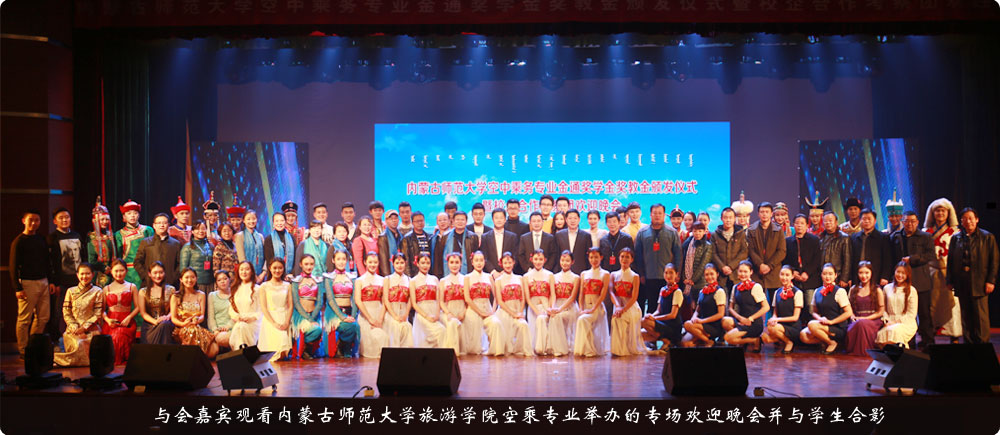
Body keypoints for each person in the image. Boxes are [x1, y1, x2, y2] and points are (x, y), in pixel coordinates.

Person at [947, 207, 998, 344]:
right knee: (966, 317)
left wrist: (991, 281)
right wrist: (949, 280)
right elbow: (950, 261)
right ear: (961, 221)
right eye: (965, 219)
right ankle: (968, 346)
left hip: (980, 283)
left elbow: (994, 261)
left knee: (980, 318)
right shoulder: (956, 238)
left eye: (971, 218)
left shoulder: (987, 237)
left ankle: (982, 347)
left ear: (977, 220)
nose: (968, 221)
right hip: (962, 283)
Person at [10, 210, 54, 357]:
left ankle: (33, 346)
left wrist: (50, 281)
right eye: (31, 220)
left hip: (43, 281)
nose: (34, 223)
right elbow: (13, 266)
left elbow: (47, 262)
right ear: (24, 221)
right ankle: (23, 349)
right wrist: (17, 288)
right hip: (27, 283)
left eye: (37, 220)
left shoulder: (41, 239)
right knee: (24, 319)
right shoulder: (19, 241)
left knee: (43, 317)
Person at [890, 211, 935, 350]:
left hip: (921, 280)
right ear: (902, 222)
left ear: (917, 222)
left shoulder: (926, 237)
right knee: (905, 313)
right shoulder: (895, 236)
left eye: (913, 221)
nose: (910, 224)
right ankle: (908, 340)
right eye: (907, 221)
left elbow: (930, 255)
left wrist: (912, 259)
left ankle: (928, 341)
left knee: (924, 313)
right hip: (902, 282)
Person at [635, 204, 683, 315]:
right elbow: (638, 256)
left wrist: (677, 274)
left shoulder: (672, 233)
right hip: (648, 277)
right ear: (650, 215)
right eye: (655, 213)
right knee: (651, 307)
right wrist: (641, 274)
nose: (657, 216)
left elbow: (678, 254)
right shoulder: (642, 233)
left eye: (660, 213)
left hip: (668, 278)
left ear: (664, 215)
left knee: (668, 308)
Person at [924, 198, 961, 342]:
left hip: (949, 273)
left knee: (952, 304)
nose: (940, 213)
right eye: (937, 211)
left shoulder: (956, 233)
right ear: (932, 213)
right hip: (931, 273)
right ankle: (931, 333)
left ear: (948, 213)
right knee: (931, 304)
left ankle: (954, 334)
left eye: (943, 211)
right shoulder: (925, 232)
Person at [54, 263, 103, 367]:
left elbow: (97, 314)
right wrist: (74, 327)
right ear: (77, 275)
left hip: (91, 329)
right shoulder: (71, 291)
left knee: (84, 344)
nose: (84, 276)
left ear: (93, 274)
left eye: (87, 273)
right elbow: (66, 311)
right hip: (73, 329)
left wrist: (84, 328)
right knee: (76, 343)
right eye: (82, 274)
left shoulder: (98, 291)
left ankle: (63, 360)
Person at [47, 207, 86, 338]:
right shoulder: (52, 238)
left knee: (78, 310)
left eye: (67, 217)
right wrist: (54, 282)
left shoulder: (77, 235)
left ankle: (77, 337)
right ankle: (55, 338)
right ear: (55, 221)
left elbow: (83, 256)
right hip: (61, 282)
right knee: (58, 312)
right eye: (61, 218)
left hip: (78, 281)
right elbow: (50, 262)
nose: (65, 220)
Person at [800, 264, 853, 354]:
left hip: (837, 326)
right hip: (822, 324)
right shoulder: (817, 291)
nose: (827, 277)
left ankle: (831, 343)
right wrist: (820, 319)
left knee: (811, 324)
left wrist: (831, 322)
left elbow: (848, 312)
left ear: (835, 275)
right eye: (825, 274)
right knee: (803, 335)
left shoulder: (839, 291)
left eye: (830, 274)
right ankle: (826, 341)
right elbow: (814, 312)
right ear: (821, 275)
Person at [411, 253, 459, 352]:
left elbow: (438, 300)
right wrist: (426, 316)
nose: (425, 265)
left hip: (435, 311)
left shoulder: (434, 279)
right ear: (417, 264)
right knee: (441, 331)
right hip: (422, 313)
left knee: (449, 326)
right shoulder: (413, 281)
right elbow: (414, 303)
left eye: (428, 263)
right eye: (422, 263)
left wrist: (437, 314)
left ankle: (450, 353)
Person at [171, 268, 219, 358]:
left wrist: (197, 320)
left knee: (214, 350)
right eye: (187, 277)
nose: (190, 280)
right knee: (192, 331)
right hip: (181, 328)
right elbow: (173, 318)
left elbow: (202, 316)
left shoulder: (201, 294)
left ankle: (194, 358)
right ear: (181, 279)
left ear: (196, 279)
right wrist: (183, 324)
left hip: (197, 327)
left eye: (192, 277)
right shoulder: (175, 296)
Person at [492, 252, 533, 356]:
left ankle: (523, 349)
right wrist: (513, 313)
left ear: (514, 262)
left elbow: (523, 298)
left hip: (518, 311)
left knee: (523, 325)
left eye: (510, 262)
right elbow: (499, 301)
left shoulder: (520, 278)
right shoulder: (498, 280)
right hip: (504, 312)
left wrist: (520, 312)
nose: (508, 265)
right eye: (505, 263)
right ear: (501, 264)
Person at [723, 261, 770, 351]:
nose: (743, 274)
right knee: (725, 321)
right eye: (740, 271)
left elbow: (766, 307)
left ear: (751, 272)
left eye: (745, 272)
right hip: (741, 320)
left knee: (727, 338)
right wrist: (740, 318)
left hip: (753, 323)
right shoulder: (735, 287)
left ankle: (755, 340)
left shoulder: (756, 287)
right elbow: (730, 308)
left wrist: (750, 319)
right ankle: (745, 340)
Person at [573, 248, 611, 357]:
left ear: (601, 257)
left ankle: (590, 350)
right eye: (591, 257)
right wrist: (581, 309)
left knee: (582, 320)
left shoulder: (605, 274)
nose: (593, 260)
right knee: (581, 318)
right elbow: (581, 294)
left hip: (597, 307)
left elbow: (603, 295)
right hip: (585, 306)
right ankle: (585, 348)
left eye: (596, 257)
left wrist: (592, 309)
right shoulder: (584, 273)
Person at [323, 250, 361, 358]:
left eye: (344, 259)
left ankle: (344, 346)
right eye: (338, 259)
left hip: (349, 311)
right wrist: (342, 317)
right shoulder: (329, 277)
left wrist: (353, 316)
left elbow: (354, 298)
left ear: (347, 261)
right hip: (334, 313)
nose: (341, 262)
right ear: (333, 260)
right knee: (350, 327)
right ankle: (341, 345)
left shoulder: (352, 277)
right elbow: (330, 300)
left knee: (355, 326)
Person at [461, 252, 500, 355]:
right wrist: (480, 312)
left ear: (484, 262)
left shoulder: (489, 277)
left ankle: (494, 350)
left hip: (487, 309)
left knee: (496, 323)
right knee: (474, 342)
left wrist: (493, 311)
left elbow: (496, 296)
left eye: (481, 260)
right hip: (473, 310)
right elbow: (467, 299)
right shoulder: (467, 277)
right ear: (472, 262)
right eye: (476, 260)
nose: (479, 263)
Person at [746, 202, 787, 300]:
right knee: (757, 302)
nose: (764, 214)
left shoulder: (778, 230)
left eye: (767, 212)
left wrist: (769, 266)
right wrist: (760, 265)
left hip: (774, 271)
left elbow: (782, 251)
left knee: (775, 302)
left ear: (771, 214)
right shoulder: (751, 229)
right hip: (757, 271)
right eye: (762, 212)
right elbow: (750, 250)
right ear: (758, 214)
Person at [845, 261, 886, 356]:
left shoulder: (877, 290)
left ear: (871, 274)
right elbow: (848, 308)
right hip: (856, 320)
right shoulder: (853, 289)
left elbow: (881, 312)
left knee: (862, 324)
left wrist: (864, 318)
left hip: (873, 320)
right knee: (857, 325)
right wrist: (852, 316)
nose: (864, 276)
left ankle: (864, 352)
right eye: (861, 273)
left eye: (867, 273)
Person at [785, 214, 822, 318]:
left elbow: (817, 259)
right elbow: (785, 260)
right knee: (796, 307)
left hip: (810, 279)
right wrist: (792, 272)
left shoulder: (814, 240)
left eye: (802, 223)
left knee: (811, 307)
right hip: (794, 279)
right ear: (793, 225)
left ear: (807, 225)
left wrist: (807, 272)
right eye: (797, 223)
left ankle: (812, 326)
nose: (799, 225)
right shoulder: (788, 241)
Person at [102, 259, 139, 365]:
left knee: (119, 335)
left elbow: (138, 307)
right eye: (116, 271)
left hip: (127, 322)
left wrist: (129, 318)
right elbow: (102, 310)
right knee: (114, 337)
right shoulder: (106, 289)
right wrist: (108, 320)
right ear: (111, 272)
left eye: (121, 270)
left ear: (126, 271)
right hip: (111, 323)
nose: (119, 274)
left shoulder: (132, 287)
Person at [680, 264, 728, 347]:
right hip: (700, 324)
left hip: (713, 326)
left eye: (711, 274)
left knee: (687, 325)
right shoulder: (702, 291)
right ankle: (705, 339)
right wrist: (694, 318)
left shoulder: (719, 291)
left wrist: (702, 321)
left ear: (717, 274)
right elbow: (697, 310)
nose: (709, 277)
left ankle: (707, 341)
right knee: (684, 343)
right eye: (707, 274)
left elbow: (720, 314)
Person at [355, 252, 390, 358]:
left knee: (384, 337)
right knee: (373, 343)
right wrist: (370, 319)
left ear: (378, 263)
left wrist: (380, 319)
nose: (373, 265)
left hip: (379, 313)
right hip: (365, 315)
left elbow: (385, 301)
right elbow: (358, 301)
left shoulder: (383, 280)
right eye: (370, 262)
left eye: (375, 262)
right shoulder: (359, 280)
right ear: (365, 262)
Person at [640, 264, 683, 350]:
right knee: (641, 333)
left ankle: (668, 341)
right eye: (666, 273)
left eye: (671, 273)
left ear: (676, 274)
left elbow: (673, 315)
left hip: (673, 326)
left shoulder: (677, 292)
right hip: (663, 324)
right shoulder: (663, 289)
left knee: (643, 321)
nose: (668, 275)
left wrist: (654, 319)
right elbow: (658, 310)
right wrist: (651, 316)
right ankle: (666, 341)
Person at [290, 255, 326, 359]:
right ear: (300, 264)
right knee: (316, 330)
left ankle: (307, 349)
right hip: (300, 316)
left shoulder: (318, 280)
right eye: (306, 264)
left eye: (311, 264)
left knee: (318, 330)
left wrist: (313, 317)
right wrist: (308, 319)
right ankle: (304, 349)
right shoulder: (296, 281)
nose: (309, 267)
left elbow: (320, 301)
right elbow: (296, 302)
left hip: (314, 315)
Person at [877, 261, 919, 348]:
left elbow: (911, 314)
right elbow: (883, 309)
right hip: (889, 321)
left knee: (894, 331)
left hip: (906, 323)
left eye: (903, 273)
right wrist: (886, 321)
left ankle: (901, 353)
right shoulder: (887, 288)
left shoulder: (912, 290)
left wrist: (894, 322)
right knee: (881, 335)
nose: (900, 275)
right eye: (898, 272)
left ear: (907, 275)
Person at [610, 248, 644, 356]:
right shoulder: (613, 274)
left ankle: (624, 349)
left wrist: (623, 309)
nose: (624, 259)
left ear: (632, 259)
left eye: (627, 257)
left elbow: (634, 297)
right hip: (618, 306)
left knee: (621, 318)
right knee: (616, 319)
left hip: (630, 307)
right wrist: (618, 306)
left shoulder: (635, 276)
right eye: (622, 256)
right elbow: (611, 292)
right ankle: (617, 349)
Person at [761, 266, 803, 353]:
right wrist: (773, 319)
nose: (784, 277)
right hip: (781, 325)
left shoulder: (798, 292)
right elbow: (775, 312)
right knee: (766, 334)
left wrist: (778, 320)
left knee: (773, 328)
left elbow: (795, 317)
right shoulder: (777, 292)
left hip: (793, 326)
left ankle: (789, 342)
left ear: (792, 276)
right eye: (782, 274)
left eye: (787, 275)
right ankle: (782, 339)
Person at [258, 258, 293, 361]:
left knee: (283, 352)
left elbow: (290, 305)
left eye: (280, 268)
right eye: (275, 268)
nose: (277, 270)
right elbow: (264, 307)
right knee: (273, 355)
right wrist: (273, 323)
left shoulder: (287, 285)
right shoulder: (264, 286)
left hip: (283, 317)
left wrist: (286, 322)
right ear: (270, 268)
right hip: (270, 319)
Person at [135, 213, 182, 288]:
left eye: (164, 223)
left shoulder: (175, 244)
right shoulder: (146, 242)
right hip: (149, 284)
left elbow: (180, 264)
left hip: (170, 284)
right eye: (159, 223)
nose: (162, 225)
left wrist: (173, 279)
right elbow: (137, 262)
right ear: (154, 225)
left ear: (168, 225)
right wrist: (146, 277)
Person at [849, 209, 894, 287]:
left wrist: (885, 276)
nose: (866, 221)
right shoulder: (854, 237)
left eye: (869, 219)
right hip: (858, 277)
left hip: (876, 276)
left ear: (875, 221)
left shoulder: (883, 237)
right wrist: (849, 277)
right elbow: (850, 259)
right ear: (860, 220)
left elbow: (888, 259)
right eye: (864, 219)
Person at [115, 199, 154, 288]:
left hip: (145, 269)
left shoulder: (148, 230)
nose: (132, 215)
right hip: (127, 272)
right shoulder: (118, 234)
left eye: (135, 213)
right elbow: (118, 256)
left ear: (139, 215)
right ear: (124, 216)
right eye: (129, 213)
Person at [523, 250, 556, 355]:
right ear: (531, 260)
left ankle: (544, 348)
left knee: (544, 322)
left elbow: (552, 294)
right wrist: (536, 311)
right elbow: (527, 298)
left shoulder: (550, 275)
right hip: (533, 307)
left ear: (545, 260)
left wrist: (550, 308)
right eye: (536, 259)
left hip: (546, 306)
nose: (538, 262)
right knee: (534, 328)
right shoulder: (526, 276)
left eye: (541, 259)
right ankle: (537, 348)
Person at [548, 250, 580, 356]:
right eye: (562, 260)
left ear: (572, 262)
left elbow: (572, 298)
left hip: (569, 306)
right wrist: (553, 308)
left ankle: (564, 348)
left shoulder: (576, 278)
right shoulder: (554, 276)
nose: (564, 263)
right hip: (557, 304)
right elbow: (553, 295)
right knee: (554, 317)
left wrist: (559, 309)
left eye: (567, 261)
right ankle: (557, 347)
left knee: (558, 316)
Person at [137, 261, 176, 344]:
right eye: (155, 273)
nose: (158, 276)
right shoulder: (143, 291)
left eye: (161, 272)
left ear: (164, 273)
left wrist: (166, 317)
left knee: (165, 325)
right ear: (149, 274)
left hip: (166, 323)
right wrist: (155, 322)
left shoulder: (171, 290)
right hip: (149, 325)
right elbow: (143, 313)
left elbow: (173, 311)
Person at [383, 254, 414, 348]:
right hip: (391, 313)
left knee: (408, 327)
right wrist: (395, 316)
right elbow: (386, 299)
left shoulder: (409, 280)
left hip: (404, 313)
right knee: (395, 327)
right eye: (397, 263)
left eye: (402, 263)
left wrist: (406, 314)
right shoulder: (388, 279)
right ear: (393, 264)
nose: (399, 265)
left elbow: (410, 299)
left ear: (405, 263)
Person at [712, 207, 748, 291]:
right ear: (721, 218)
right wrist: (722, 267)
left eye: (730, 217)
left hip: (736, 274)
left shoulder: (741, 234)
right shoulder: (715, 235)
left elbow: (744, 252)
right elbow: (713, 253)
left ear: (735, 218)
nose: (728, 220)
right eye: (725, 217)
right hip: (721, 275)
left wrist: (731, 266)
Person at [680, 222, 713, 310]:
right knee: (691, 308)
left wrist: (692, 280)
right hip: (687, 281)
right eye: (695, 231)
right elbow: (684, 262)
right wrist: (684, 278)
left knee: (701, 308)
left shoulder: (708, 246)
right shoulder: (688, 244)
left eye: (700, 231)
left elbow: (703, 265)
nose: (697, 233)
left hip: (700, 282)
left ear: (704, 232)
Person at [228, 261, 262, 350]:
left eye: (247, 269)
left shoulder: (257, 289)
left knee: (242, 328)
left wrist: (252, 318)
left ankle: (245, 353)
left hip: (254, 322)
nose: (244, 272)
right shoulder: (235, 288)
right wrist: (237, 317)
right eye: (241, 269)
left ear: (252, 272)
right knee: (240, 327)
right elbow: (231, 309)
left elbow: (262, 309)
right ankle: (241, 353)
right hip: (240, 321)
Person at [481, 208, 519, 274]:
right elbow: (484, 257)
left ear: (505, 220)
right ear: (492, 219)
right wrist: (493, 271)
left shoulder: (513, 237)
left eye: (501, 218)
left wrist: (506, 270)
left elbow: (515, 256)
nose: (499, 220)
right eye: (496, 218)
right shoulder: (485, 237)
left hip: (508, 273)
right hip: (490, 274)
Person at [819, 211, 852, 289]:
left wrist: (844, 278)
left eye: (830, 220)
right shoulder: (821, 238)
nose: (828, 223)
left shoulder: (844, 238)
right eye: (825, 221)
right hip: (824, 278)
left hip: (838, 278)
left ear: (836, 222)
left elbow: (847, 259)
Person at [179, 220, 215, 291]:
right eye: (197, 229)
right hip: (194, 284)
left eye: (203, 229)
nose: (201, 231)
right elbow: (183, 270)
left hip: (210, 283)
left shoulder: (211, 246)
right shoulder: (187, 247)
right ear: (192, 231)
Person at [554, 209, 592, 274]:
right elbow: (556, 255)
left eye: (575, 218)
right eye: (570, 218)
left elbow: (588, 257)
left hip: (581, 272)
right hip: (562, 272)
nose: (572, 221)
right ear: (566, 220)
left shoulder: (586, 236)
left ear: (579, 220)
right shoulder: (559, 235)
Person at [87, 202, 116, 287]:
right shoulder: (91, 237)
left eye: (107, 219)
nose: (105, 222)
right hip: (99, 275)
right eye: (102, 219)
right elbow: (92, 261)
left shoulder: (111, 235)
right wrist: (105, 268)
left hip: (114, 273)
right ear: (96, 221)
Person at [234, 210, 265, 281]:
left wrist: (263, 273)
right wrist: (253, 275)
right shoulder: (240, 236)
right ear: (243, 221)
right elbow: (242, 258)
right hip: (246, 274)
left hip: (261, 275)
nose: (251, 221)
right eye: (248, 219)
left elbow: (266, 256)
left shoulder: (260, 236)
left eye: (253, 218)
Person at [207, 270, 234, 351]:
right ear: (216, 283)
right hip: (217, 330)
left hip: (231, 328)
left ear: (229, 279)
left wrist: (228, 326)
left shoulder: (235, 293)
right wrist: (215, 330)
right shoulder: (212, 295)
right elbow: (211, 317)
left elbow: (236, 315)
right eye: (219, 280)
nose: (222, 282)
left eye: (225, 279)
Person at [400, 211, 433, 276]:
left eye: (421, 221)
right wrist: (408, 277)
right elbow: (406, 260)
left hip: (429, 273)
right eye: (417, 221)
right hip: (414, 273)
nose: (419, 223)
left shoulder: (430, 237)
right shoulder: (407, 238)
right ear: (412, 223)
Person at [377, 210, 404, 275]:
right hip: (389, 273)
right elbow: (383, 261)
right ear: (386, 221)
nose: (394, 220)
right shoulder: (383, 237)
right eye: (391, 219)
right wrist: (387, 277)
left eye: (395, 218)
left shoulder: (401, 235)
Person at [429, 212, 452, 277]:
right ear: (437, 222)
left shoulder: (453, 236)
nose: (442, 222)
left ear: (449, 221)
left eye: (445, 220)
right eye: (440, 220)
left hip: (450, 271)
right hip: (435, 272)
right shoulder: (433, 238)